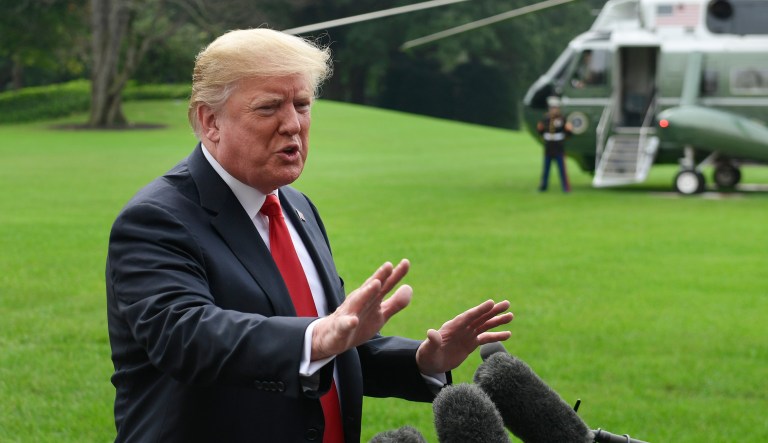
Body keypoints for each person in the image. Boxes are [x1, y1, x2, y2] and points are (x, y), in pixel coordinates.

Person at [106, 28, 513, 443]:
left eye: (302, 104)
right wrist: (319, 336)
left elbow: (336, 342)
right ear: (210, 121)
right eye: (268, 108)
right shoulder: (156, 219)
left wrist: (421, 360)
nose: (292, 125)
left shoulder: (296, 206)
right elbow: (188, 337)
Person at [536, 96, 572, 192]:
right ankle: (543, 186)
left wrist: (568, 131)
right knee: (546, 169)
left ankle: (566, 187)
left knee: (562, 169)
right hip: (549, 146)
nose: (554, 110)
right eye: (552, 108)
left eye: (555, 108)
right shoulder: (545, 118)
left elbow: (568, 133)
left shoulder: (562, 119)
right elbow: (541, 131)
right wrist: (539, 130)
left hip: (558, 146)